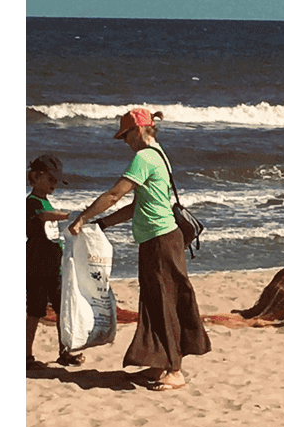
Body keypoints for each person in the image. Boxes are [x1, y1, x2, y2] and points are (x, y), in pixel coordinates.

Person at [69, 108, 206, 390]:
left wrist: (83, 218)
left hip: (161, 241)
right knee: (154, 301)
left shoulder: (144, 158)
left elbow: (115, 194)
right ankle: (158, 364)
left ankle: (175, 370)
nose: (125, 141)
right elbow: (136, 206)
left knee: (165, 302)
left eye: (126, 135)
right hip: (158, 240)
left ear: (140, 130)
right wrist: (104, 224)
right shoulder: (159, 155)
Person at [27, 154, 69, 368]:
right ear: (36, 176)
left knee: (62, 309)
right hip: (36, 266)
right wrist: (66, 216)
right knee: (35, 310)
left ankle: (65, 351)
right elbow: (43, 216)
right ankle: (26, 355)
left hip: (54, 266)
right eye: (51, 180)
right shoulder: (32, 202)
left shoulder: (46, 200)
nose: (54, 185)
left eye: (56, 181)